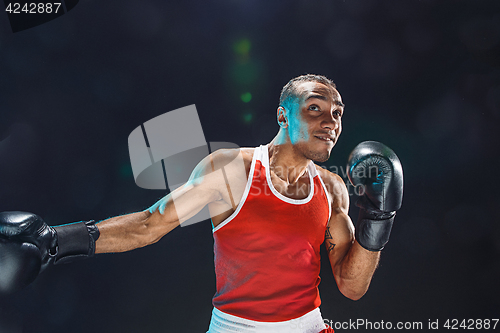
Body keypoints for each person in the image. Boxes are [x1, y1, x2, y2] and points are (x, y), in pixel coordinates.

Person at [0, 74, 403, 333]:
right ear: (283, 115)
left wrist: (378, 219)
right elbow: (149, 224)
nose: (329, 122)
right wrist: (57, 240)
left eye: (336, 114)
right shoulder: (231, 169)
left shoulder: (332, 188)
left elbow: (351, 286)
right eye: (314, 108)